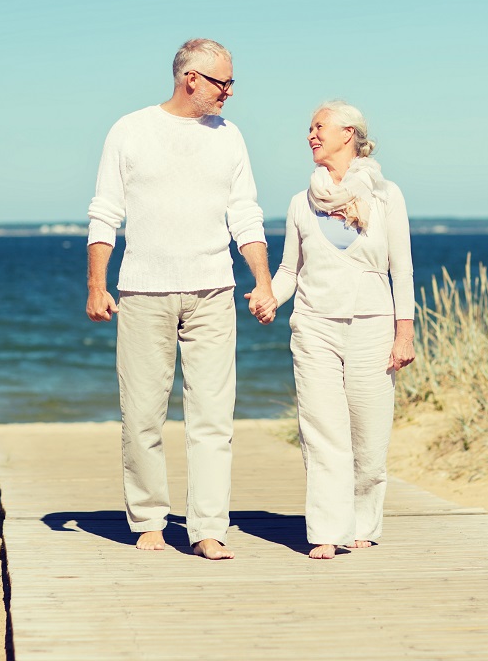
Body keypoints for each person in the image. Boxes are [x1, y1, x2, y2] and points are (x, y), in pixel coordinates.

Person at [86, 38, 276, 561]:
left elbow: (246, 213)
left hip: (213, 290)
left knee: (213, 417)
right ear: (190, 78)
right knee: (143, 413)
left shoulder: (230, 138)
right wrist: (95, 285)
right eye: (223, 82)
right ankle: (148, 519)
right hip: (143, 291)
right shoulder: (130, 130)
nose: (230, 93)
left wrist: (261, 280)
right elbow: (105, 211)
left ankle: (207, 527)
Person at [256, 100, 415, 559]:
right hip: (313, 327)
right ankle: (327, 529)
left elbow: (401, 270)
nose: (310, 134)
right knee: (322, 430)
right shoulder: (299, 202)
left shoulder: (387, 195)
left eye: (318, 126)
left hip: (372, 325)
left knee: (369, 432)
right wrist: (270, 295)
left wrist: (404, 333)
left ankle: (363, 521)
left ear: (348, 133)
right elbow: (289, 269)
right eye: (308, 128)